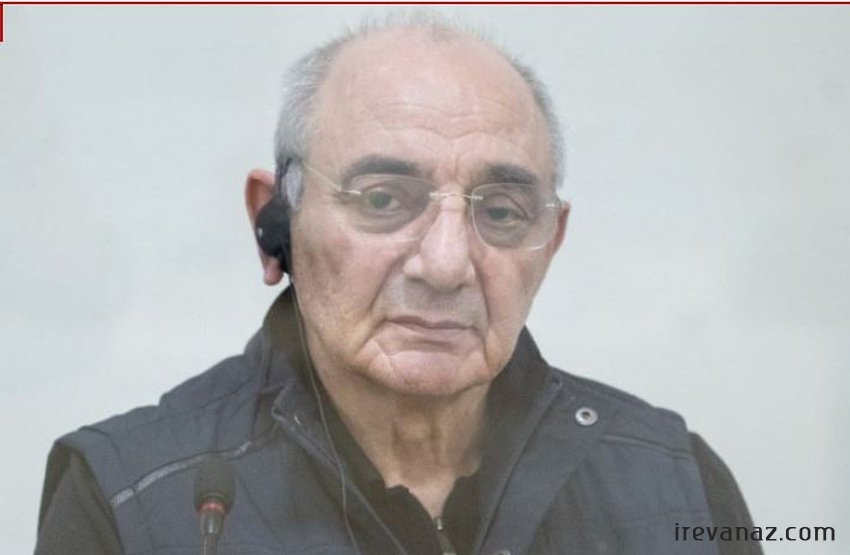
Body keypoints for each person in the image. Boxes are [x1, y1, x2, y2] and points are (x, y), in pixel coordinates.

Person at [35, 16, 761, 555]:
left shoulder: (679, 485)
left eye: (501, 213)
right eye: (383, 199)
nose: (445, 264)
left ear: (550, 244)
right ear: (274, 224)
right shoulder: (131, 498)